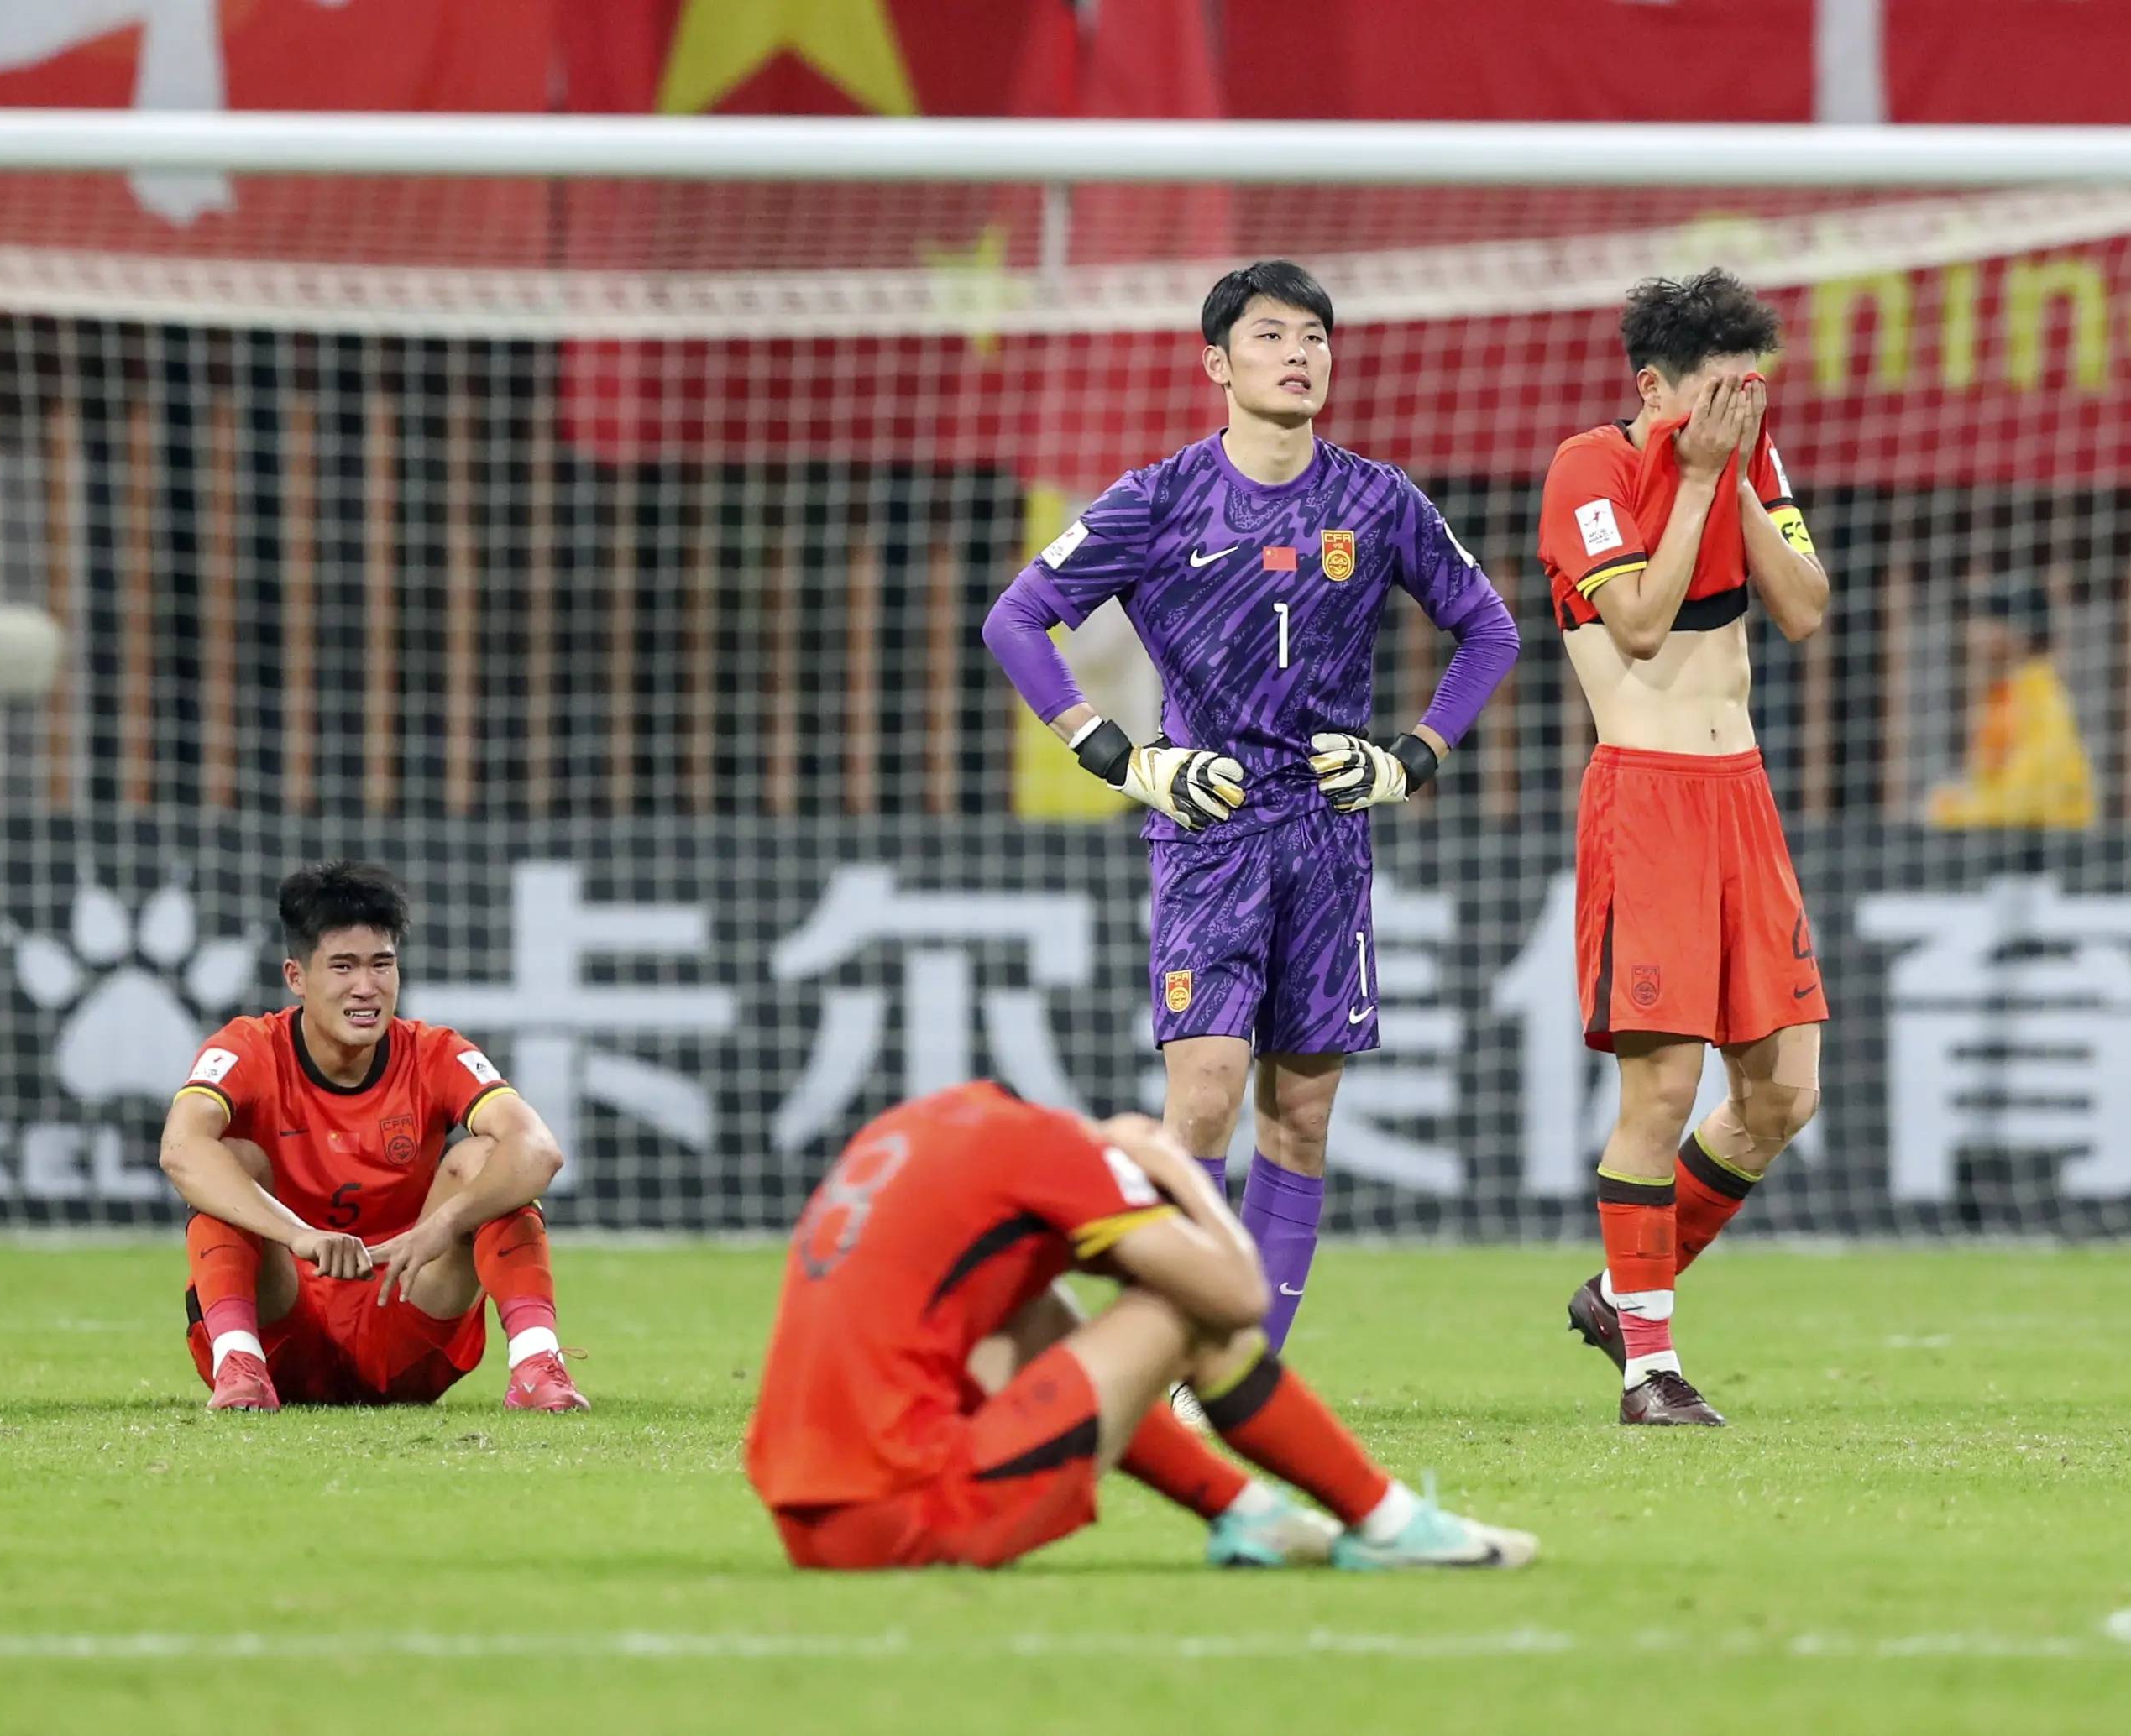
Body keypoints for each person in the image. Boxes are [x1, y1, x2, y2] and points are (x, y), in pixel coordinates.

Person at [982, 260, 1519, 1357]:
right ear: (1217, 364)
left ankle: (1244, 1364)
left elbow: (1491, 629)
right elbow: (1017, 618)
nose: (1298, 353)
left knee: (1305, 1115)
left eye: (1315, 336)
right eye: (1270, 335)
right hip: (1212, 833)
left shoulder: (1375, 499)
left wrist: (1409, 758)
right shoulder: (1161, 497)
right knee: (1205, 1105)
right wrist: (1118, 758)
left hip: (1329, 836)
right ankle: (1172, 1341)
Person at [744, 1079, 1536, 1571]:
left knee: (1037, 1317)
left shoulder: (927, 1132)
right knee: (1177, 1311)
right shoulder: (1056, 1157)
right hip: (910, 1517)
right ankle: (1389, 1524)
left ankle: (1249, 1517)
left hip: (807, 1524)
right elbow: (1236, 1297)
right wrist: (1173, 1173)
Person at [1533, 269, 1830, 1427]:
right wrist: (1701, 474)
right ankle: (1649, 1369)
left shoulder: (1749, 465)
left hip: (1741, 796)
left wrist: (1735, 475)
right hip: (1648, 792)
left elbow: (1803, 610)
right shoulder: (1588, 470)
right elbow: (1644, 622)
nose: (1739, 412)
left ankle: (1622, 1297)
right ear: (1653, 386)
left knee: (1784, 1095)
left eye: (1752, 393)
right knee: (1660, 1090)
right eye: (1717, 393)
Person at [157, 860, 587, 1413]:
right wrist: (298, 1235)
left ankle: (536, 1365)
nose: (367, 987)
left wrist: (440, 1227)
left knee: (488, 1161)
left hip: (404, 1323)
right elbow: (180, 1150)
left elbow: (537, 1150)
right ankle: (238, 1362)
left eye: (382, 965)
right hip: (283, 1330)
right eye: (343, 966)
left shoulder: (435, 1053)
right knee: (227, 1163)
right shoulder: (247, 1048)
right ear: (296, 977)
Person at [1926, 578, 2098, 829]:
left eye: (1990, 617)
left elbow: (2031, 796)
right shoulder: (2005, 694)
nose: (1974, 629)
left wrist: (1957, 814)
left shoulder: (2040, 698)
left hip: (2047, 851)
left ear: (2021, 633)